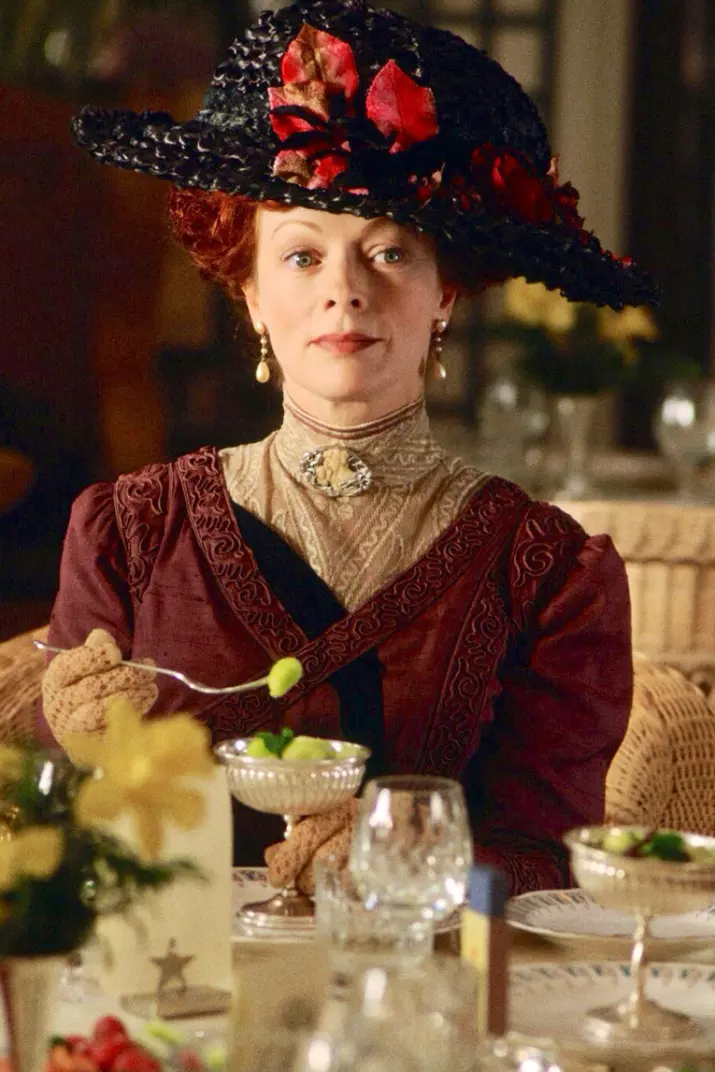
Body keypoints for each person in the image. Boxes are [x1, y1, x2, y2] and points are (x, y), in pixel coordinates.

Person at [39, 0, 658, 894]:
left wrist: (389, 868)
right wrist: (78, 749)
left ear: (446, 291)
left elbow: (544, 862)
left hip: (412, 970)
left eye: (390, 253)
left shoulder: (548, 572)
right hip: (180, 974)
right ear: (248, 290)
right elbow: (61, 845)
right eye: (301, 255)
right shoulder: (127, 534)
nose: (346, 290)